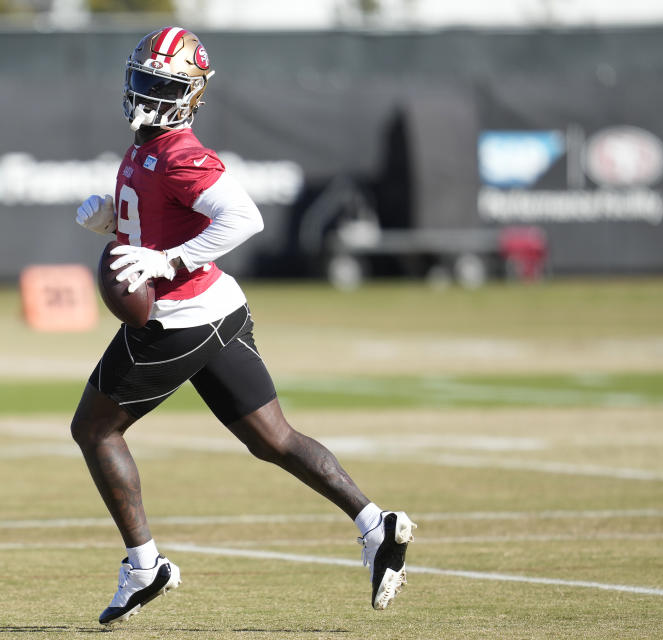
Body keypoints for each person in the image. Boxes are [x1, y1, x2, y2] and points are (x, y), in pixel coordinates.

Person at [71, 26, 416, 626]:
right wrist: (117, 226)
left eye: (161, 84)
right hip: (218, 309)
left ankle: (146, 566)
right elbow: (161, 219)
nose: (146, 92)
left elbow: (245, 218)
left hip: (178, 320)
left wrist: (167, 260)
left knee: (95, 431)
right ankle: (375, 525)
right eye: (143, 79)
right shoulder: (149, 143)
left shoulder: (179, 151)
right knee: (272, 439)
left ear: (190, 94)